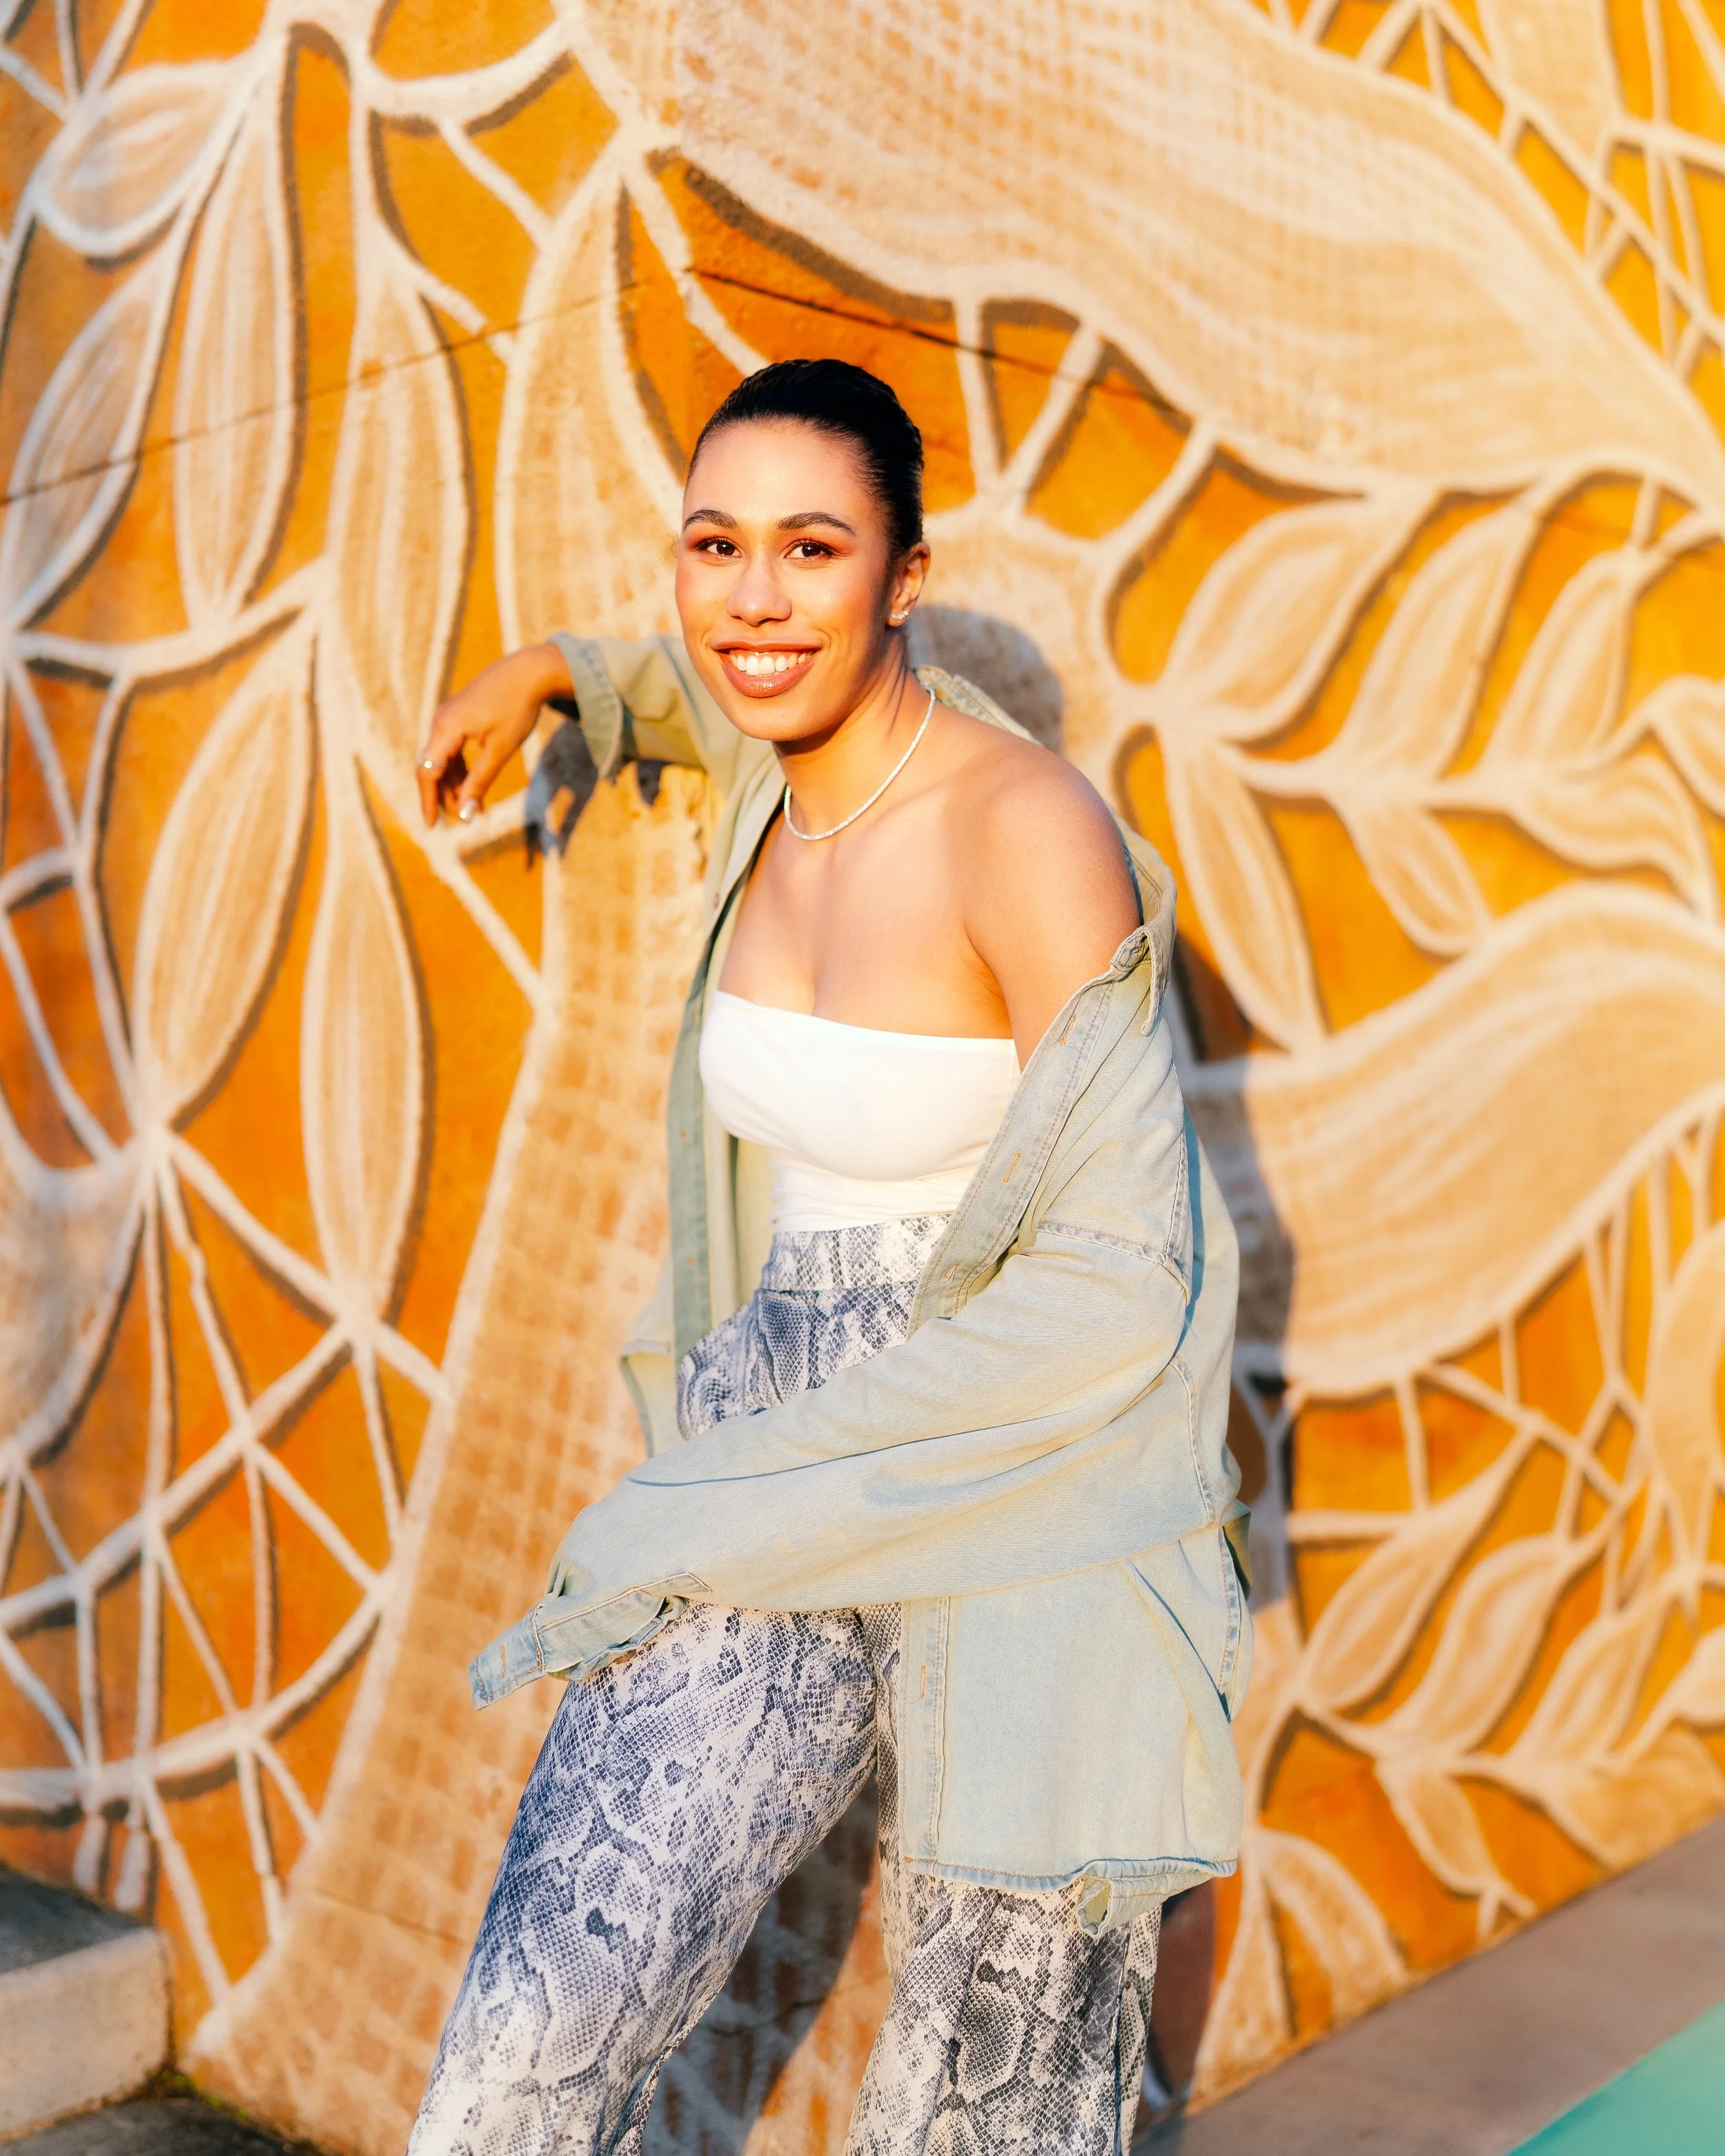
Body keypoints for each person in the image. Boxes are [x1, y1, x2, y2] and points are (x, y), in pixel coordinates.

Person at [407, 359, 1249, 2156]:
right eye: (717, 546)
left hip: (1005, 1478)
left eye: (811, 547)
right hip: (773, 1402)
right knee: (532, 2022)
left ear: (904, 575)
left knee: (980, 2105)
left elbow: (1118, 1279)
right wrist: (546, 675)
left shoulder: (1018, 831)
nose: (756, 598)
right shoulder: (762, 766)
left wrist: (740, 1488)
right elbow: (691, 695)